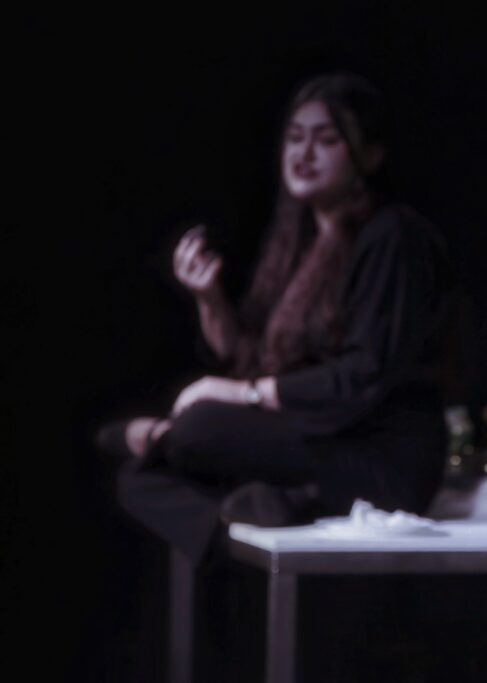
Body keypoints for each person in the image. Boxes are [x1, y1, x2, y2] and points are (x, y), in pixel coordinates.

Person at [95, 71, 456, 566]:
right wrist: (209, 298)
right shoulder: (298, 243)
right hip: (317, 441)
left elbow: (360, 378)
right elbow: (249, 356)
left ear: (370, 156)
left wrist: (239, 395)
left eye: (326, 140)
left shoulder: (391, 236)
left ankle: (190, 454)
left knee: (196, 429)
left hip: (378, 457)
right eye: (294, 138)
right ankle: (263, 512)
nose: (303, 155)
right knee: (136, 476)